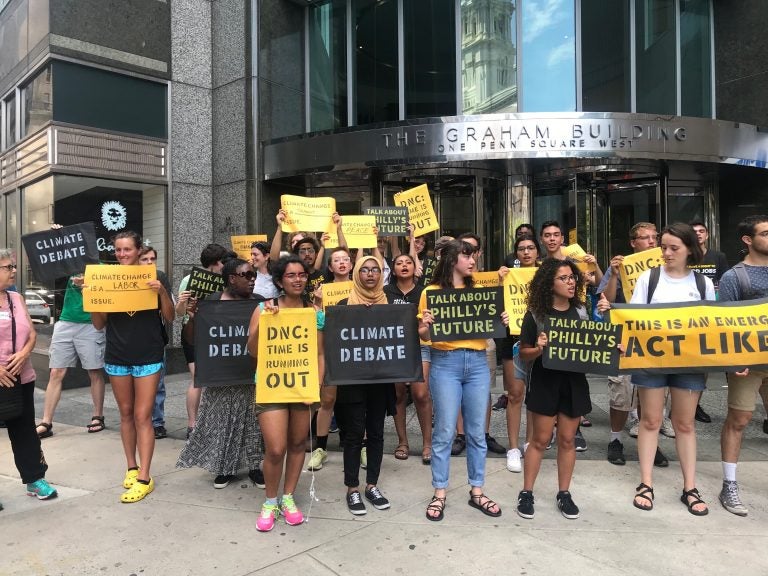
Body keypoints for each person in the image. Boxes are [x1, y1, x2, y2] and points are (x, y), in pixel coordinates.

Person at [603, 223, 714, 516]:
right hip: (651, 363)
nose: (665, 253)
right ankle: (646, 483)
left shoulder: (703, 284)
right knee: (650, 421)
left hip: (688, 364)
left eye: (673, 248)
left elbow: (713, 326)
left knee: (685, 424)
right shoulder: (648, 279)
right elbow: (633, 318)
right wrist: (625, 341)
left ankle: (690, 486)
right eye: (663, 246)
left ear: (690, 249)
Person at [419, 240, 508, 521]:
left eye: (474, 257)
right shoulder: (431, 293)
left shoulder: (480, 291)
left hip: (478, 363)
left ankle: (477, 490)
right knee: (444, 431)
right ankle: (439, 492)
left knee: (477, 432)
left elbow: (492, 328)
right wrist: (425, 324)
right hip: (445, 364)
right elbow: (422, 336)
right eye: (467, 256)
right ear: (452, 260)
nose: (473, 261)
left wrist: (502, 320)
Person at [91, 231, 175, 503]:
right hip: (117, 356)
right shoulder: (107, 277)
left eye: (128, 249)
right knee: (125, 413)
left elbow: (171, 316)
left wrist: (161, 292)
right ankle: (131, 466)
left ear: (139, 250)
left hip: (148, 355)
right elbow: (98, 324)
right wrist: (92, 298)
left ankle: (145, 477)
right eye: (118, 250)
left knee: (143, 416)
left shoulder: (156, 276)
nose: (122, 254)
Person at [248, 255, 325, 532]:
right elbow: (253, 351)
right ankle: (270, 500)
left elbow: (319, 353)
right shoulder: (264, 308)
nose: (297, 279)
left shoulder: (314, 311)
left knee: (296, 444)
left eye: (302, 274)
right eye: (291, 275)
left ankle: (288, 497)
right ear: (280, 280)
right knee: (276, 448)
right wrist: (264, 324)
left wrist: (315, 387)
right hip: (272, 386)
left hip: (304, 387)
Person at [178, 258, 264, 490]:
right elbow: (190, 339)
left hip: (251, 375)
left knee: (254, 425)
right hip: (221, 376)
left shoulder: (260, 303)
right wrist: (193, 317)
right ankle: (224, 468)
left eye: (253, 274)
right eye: (246, 275)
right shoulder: (211, 303)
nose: (252, 279)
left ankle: (256, 467)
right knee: (222, 423)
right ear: (231, 278)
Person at [515, 258, 591, 520]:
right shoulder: (535, 315)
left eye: (572, 277)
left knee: (568, 440)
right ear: (549, 283)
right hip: (545, 383)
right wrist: (539, 348)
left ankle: (564, 493)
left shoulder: (582, 311)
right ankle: (526, 492)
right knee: (539, 440)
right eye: (564, 278)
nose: (571, 282)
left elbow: (591, 347)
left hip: (573, 383)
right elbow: (523, 354)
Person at [597, 222, 672, 467]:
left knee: (650, 396)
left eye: (655, 237)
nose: (651, 242)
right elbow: (606, 299)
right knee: (622, 394)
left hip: (656, 341)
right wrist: (615, 274)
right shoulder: (621, 266)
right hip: (624, 339)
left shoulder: (667, 266)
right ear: (633, 243)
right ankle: (615, 439)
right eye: (645, 238)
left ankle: (651, 444)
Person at [334, 255, 395, 515]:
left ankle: (372, 484)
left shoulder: (390, 303)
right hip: (353, 380)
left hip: (381, 379)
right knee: (354, 433)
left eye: (375, 270)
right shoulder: (344, 304)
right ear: (357, 274)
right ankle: (352, 488)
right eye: (365, 270)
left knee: (377, 432)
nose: (370, 274)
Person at [717, 215, 768, 516]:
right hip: (747, 364)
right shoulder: (734, 278)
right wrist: (733, 360)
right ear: (748, 240)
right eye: (765, 233)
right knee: (739, 420)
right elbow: (725, 324)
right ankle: (730, 483)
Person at [0, 249, 58, 505]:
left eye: (13, 266)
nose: (14, 270)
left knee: (24, 430)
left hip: (21, 377)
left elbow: (32, 334)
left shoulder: (16, 298)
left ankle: (35, 479)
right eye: (7, 267)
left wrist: (24, 353)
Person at [450, 233, 506, 457]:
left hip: (482, 342)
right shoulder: (445, 285)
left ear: (478, 254)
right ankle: (461, 434)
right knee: (457, 392)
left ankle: (483, 433)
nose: (469, 257)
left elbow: (500, 305)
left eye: (472, 252)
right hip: (453, 347)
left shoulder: (487, 280)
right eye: (464, 252)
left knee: (484, 390)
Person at [35, 273, 106, 439]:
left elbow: (104, 297)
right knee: (55, 372)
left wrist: (86, 287)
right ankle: (46, 422)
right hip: (65, 321)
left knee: (94, 371)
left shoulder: (100, 268)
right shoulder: (66, 265)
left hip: (91, 323)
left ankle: (98, 416)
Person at [307, 246, 354, 471]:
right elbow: (315, 325)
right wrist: (316, 304)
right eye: (337, 260)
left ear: (352, 264)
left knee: (356, 403)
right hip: (329, 350)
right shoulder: (321, 291)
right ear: (330, 266)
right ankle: (320, 448)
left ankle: (360, 446)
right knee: (327, 401)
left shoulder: (360, 288)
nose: (342, 263)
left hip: (354, 352)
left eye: (346, 259)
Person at [176, 243, 229, 438]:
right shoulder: (188, 281)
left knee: (208, 379)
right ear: (216, 263)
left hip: (214, 332)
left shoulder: (225, 281)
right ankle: (192, 424)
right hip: (193, 330)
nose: (224, 265)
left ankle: (208, 421)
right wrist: (183, 302)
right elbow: (179, 313)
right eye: (223, 262)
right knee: (198, 378)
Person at [497, 234, 540, 472]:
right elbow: (495, 305)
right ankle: (513, 448)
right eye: (521, 249)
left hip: (538, 341)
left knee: (534, 396)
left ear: (537, 252)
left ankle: (529, 443)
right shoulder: (506, 276)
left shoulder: (546, 275)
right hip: (512, 339)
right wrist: (500, 283)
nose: (526, 252)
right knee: (515, 395)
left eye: (530, 248)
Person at [385, 253, 430, 464]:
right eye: (399, 263)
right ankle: (402, 442)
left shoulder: (424, 292)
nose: (404, 265)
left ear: (415, 268)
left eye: (408, 262)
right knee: (398, 394)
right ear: (393, 270)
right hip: (394, 348)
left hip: (420, 346)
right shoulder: (384, 292)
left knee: (420, 394)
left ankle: (428, 443)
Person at [689, 221, 729, 424]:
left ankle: (695, 404)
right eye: (694, 232)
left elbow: (724, 282)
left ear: (707, 234)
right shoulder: (686, 256)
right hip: (686, 316)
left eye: (701, 231)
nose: (698, 235)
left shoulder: (718, 257)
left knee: (703, 364)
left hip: (709, 315)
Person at [139, 246, 174, 440]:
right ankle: (140, 420)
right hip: (129, 341)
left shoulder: (160, 277)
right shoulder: (124, 277)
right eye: (145, 259)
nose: (150, 263)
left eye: (153, 259)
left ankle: (157, 422)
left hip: (154, 339)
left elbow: (170, 316)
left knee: (157, 384)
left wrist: (161, 292)